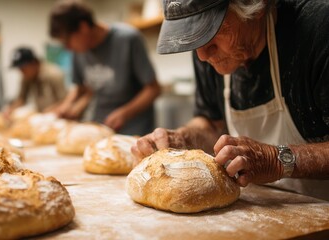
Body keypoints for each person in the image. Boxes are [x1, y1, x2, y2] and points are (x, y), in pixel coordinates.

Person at [132, 0, 329, 200]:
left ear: (256, 6)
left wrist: (275, 160)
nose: (201, 55)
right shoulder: (207, 49)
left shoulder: (318, 29)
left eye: (210, 30)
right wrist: (183, 138)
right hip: (262, 209)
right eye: (195, 38)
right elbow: (211, 123)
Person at [49, 0, 161, 136]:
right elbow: (81, 88)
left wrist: (124, 113)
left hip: (134, 130)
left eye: (67, 41)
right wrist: (67, 105)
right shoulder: (77, 51)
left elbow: (153, 89)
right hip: (100, 127)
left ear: (83, 27)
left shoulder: (127, 39)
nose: (67, 48)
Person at [6, 47, 67, 115]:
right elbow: (21, 98)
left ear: (34, 63)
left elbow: (65, 101)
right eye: (19, 69)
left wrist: (48, 112)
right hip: (42, 116)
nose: (21, 72)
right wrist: (11, 109)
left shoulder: (54, 74)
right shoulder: (26, 77)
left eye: (23, 68)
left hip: (58, 116)